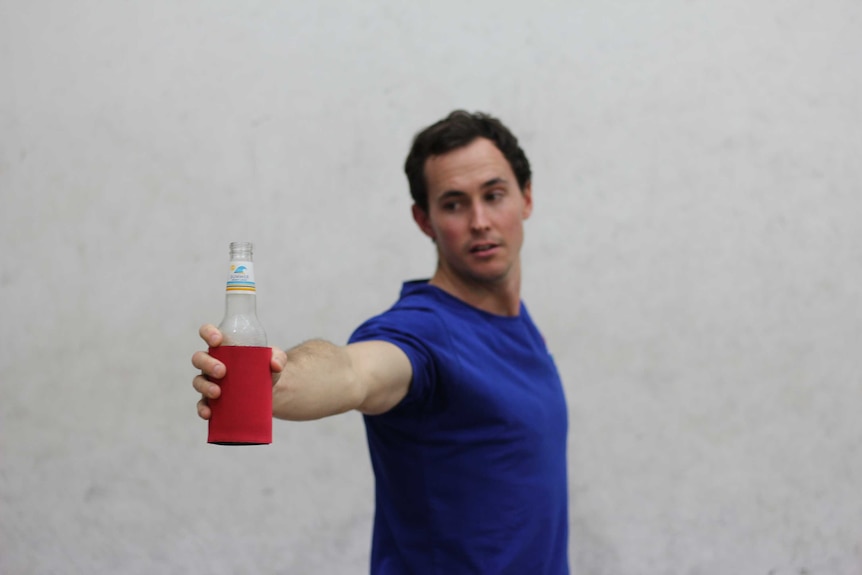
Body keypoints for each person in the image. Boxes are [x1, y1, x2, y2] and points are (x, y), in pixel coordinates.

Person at [192, 110, 569, 574]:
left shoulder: (517, 326)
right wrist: (270, 380)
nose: (479, 221)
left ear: (526, 198)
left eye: (494, 196)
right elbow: (356, 372)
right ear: (423, 220)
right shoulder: (422, 332)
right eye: (453, 204)